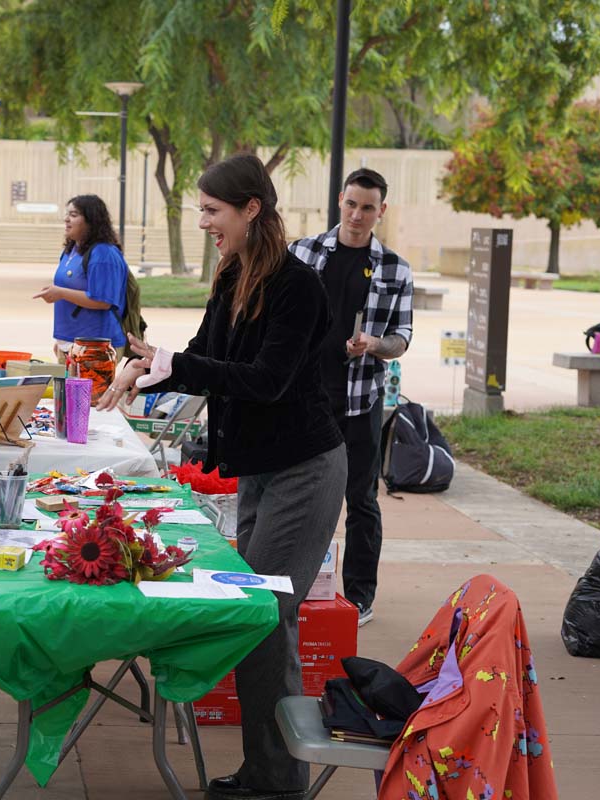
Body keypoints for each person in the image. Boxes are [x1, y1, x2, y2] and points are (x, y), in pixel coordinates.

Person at [99, 153, 346, 800]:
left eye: (212, 211)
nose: (205, 222)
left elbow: (267, 382)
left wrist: (174, 363)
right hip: (262, 469)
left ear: (251, 209)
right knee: (261, 619)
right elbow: (203, 358)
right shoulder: (234, 270)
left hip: (305, 469)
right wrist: (142, 369)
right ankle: (271, 769)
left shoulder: (298, 286)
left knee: (261, 615)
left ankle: (278, 777)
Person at [290, 168, 413, 628]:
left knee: (361, 501)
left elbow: (402, 337)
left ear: (381, 211)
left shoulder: (395, 268)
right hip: (304, 400)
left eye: (368, 208)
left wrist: (375, 345)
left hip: (360, 402)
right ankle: (294, 587)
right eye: (351, 204)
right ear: (339, 201)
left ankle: (361, 596)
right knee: (300, 497)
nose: (357, 215)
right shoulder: (301, 253)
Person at [34, 194, 128, 363]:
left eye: (74, 215)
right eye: (67, 214)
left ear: (91, 220)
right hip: (69, 342)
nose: (66, 219)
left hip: (96, 346)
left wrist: (61, 293)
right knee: (65, 390)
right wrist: (62, 341)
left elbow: (103, 301)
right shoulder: (71, 250)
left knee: (90, 391)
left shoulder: (103, 254)